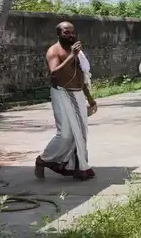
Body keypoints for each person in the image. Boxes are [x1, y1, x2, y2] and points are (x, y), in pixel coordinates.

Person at [34, 22, 97, 181]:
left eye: (72, 32)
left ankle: (76, 166)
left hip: (78, 95)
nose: (70, 35)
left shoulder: (76, 51)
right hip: (62, 94)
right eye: (66, 32)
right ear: (58, 34)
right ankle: (43, 160)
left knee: (80, 133)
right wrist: (71, 56)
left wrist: (90, 99)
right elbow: (54, 72)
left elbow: (81, 76)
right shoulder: (54, 51)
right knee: (65, 135)